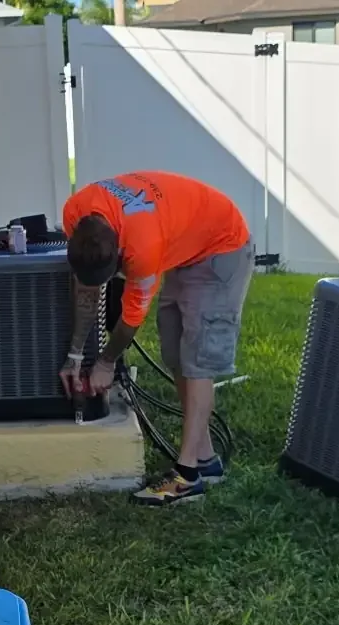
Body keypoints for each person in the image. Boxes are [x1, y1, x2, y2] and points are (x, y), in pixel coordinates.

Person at [58, 171, 254, 507]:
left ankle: (187, 476)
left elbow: (132, 319)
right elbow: (87, 290)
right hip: (186, 246)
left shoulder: (142, 249)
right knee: (176, 352)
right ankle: (206, 461)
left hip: (222, 248)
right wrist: (74, 355)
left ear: (122, 254)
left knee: (197, 363)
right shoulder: (75, 210)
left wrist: (105, 362)